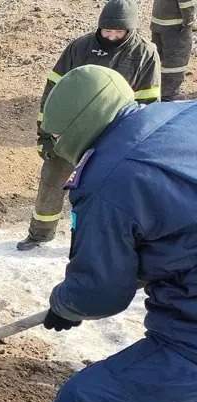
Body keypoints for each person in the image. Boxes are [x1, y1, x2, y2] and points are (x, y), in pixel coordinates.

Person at [0, 65, 197, 402]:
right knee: (176, 371)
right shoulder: (179, 115)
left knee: (83, 399)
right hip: (186, 294)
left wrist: (66, 304)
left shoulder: (109, 181)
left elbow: (101, 292)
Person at [17, 0, 161, 251]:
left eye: (119, 32)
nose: (112, 36)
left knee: (105, 191)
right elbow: (54, 91)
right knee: (52, 177)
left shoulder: (144, 53)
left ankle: (98, 242)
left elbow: (148, 103)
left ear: (131, 30)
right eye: (107, 31)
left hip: (114, 134)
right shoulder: (80, 47)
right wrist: (46, 133)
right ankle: (40, 233)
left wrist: (137, 145)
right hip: (73, 129)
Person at [151, 0, 194, 101]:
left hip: (158, 21)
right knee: (176, 61)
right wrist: (189, 20)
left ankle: (154, 87)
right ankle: (169, 94)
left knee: (158, 57)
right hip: (175, 25)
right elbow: (186, 3)